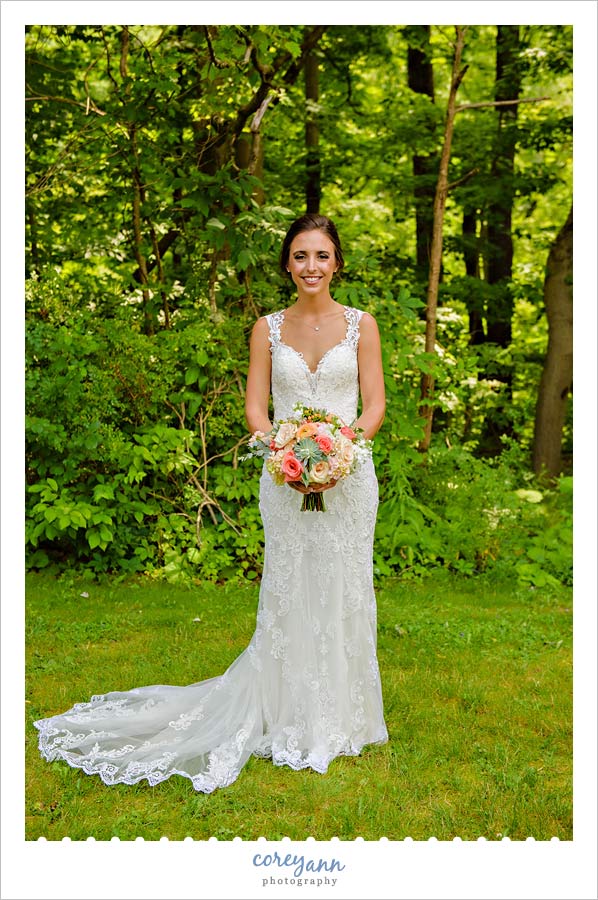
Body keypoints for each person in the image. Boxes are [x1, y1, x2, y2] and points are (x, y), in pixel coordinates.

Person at [33, 213, 388, 793]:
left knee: (345, 586)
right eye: (300, 256)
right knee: (290, 586)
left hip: (349, 479)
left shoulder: (361, 326)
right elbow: (255, 408)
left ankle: (344, 718)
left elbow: (373, 403)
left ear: (337, 263)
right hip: (284, 473)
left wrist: (339, 451)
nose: (311, 268)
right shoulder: (266, 329)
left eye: (321, 256)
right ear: (287, 265)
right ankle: (286, 712)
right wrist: (285, 451)